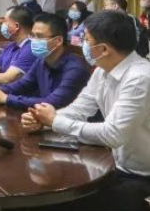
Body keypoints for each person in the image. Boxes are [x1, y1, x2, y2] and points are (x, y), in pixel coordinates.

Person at [22, 11, 150, 210]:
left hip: (141, 176)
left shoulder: (139, 78)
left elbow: (113, 134)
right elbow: (80, 108)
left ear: (104, 49)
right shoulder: (102, 70)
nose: (83, 44)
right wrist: (43, 121)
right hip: (115, 166)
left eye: (86, 39)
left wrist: (55, 121)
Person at [0, 13, 89, 110]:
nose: (34, 40)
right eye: (33, 35)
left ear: (58, 41)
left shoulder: (75, 69)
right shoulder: (41, 61)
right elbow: (23, 84)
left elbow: (52, 102)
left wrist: (6, 99)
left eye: (40, 36)